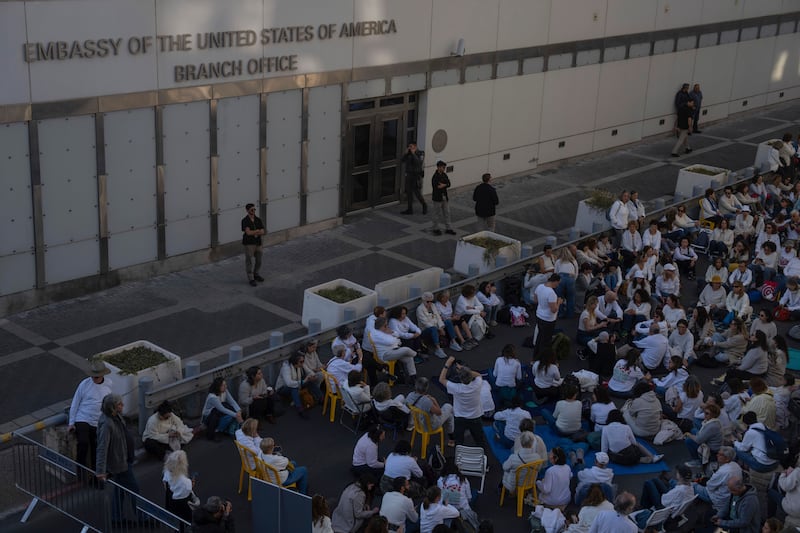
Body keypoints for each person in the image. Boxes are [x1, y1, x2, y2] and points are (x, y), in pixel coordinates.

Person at [95, 394, 142, 525]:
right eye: (119, 404)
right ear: (112, 408)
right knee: (134, 490)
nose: (122, 406)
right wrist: (100, 471)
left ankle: (117, 518)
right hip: (120, 464)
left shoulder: (116, 416)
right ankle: (143, 517)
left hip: (124, 459)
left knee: (119, 491)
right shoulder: (106, 423)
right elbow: (102, 448)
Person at [68, 358, 113, 476]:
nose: (94, 378)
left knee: (96, 448)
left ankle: (96, 474)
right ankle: (80, 471)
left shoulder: (109, 385)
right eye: (93, 376)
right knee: (83, 442)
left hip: (98, 421)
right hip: (83, 418)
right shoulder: (84, 384)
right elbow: (75, 402)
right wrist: (71, 422)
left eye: (97, 376)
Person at [439, 356, 486, 447]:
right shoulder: (477, 384)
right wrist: (464, 370)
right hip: (475, 417)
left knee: (459, 441)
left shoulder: (456, 388)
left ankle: (458, 457)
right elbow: (478, 375)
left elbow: (441, 379)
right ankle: (482, 456)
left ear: (460, 378)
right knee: (480, 440)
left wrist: (447, 364)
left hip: (460, 418)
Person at [405, 377, 455, 446]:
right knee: (448, 407)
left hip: (418, 423)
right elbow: (439, 412)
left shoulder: (410, 395)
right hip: (430, 425)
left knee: (449, 415)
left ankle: (451, 437)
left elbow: (407, 405)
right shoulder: (426, 401)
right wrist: (434, 401)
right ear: (426, 388)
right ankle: (451, 438)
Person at [693, 446, 742, 515]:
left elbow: (710, 487)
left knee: (693, 485)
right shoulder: (736, 465)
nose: (717, 455)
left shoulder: (723, 472)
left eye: (720, 454)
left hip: (719, 499)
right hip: (729, 496)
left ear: (727, 459)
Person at [371, 317, 418, 385]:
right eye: (385, 325)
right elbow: (391, 342)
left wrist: (392, 332)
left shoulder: (385, 331)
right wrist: (396, 340)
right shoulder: (377, 335)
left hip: (393, 350)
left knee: (409, 358)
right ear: (381, 326)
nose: (387, 327)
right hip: (386, 354)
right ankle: (416, 354)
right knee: (406, 349)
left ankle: (413, 378)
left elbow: (397, 335)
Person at [276, 352, 322, 419]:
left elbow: (309, 371)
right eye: (301, 361)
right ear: (295, 362)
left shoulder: (300, 364)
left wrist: (312, 376)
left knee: (309, 382)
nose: (303, 363)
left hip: (296, 383)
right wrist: (303, 381)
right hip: (282, 388)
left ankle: (321, 398)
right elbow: (289, 383)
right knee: (293, 388)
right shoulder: (286, 368)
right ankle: (300, 409)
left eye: (303, 361)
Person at [438, 459, 480, 530]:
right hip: (463, 510)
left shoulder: (440, 480)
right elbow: (469, 497)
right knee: (474, 492)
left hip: (448, 511)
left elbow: (440, 497)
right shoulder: (463, 479)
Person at [162, 450, 196, 524]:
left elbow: (165, 484)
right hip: (183, 503)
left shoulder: (167, 472)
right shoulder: (185, 481)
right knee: (185, 521)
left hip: (171, 502)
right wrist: (192, 483)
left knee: (175, 520)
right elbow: (189, 489)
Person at [533, 274, 562, 357]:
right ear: (555, 281)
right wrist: (558, 302)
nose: (558, 285)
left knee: (539, 338)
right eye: (558, 283)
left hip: (539, 316)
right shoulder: (551, 293)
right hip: (548, 319)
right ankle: (543, 360)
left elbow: (535, 300)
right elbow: (553, 310)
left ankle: (535, 358)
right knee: (546, 341)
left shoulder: (540, 287)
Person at [241, 203, 265, 286]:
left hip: (258, 243)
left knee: (259, 260)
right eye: (252, 209)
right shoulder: (245, 221)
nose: (253, 211)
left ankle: (256, 274)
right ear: (247, 210)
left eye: (254, 209)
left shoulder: (258, 220)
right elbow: (248, 233)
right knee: (249, 261)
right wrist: (257, 231)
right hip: (249, 244)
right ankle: (251, 278)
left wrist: (254, 232)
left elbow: (263, 231)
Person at [430, 160, 455, 236]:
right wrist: (445, 184)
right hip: (437, 198)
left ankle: (448, 228)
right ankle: (435, 228)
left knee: (447, 213)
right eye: (443, 167)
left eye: (444, 167)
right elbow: (437, 186)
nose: (444, 169)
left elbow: (448, 184)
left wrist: (444, 185)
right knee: (437, 214)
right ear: (438, 167)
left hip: (444, 197)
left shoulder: (444, 174)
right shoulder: (435, 177)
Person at [401, 141, 427, 215]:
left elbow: (418, 162)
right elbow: (402, 160)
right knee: (409, 193)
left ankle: (424, 205)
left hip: (416, 176)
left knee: (417, 193)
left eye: (411, 147)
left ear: (415, 147)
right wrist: (405, 153)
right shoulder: (408, 154)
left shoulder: (420, 153)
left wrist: (413, 153)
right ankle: (410, 209)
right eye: (409, 146)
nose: (410, 148)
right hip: (409, 175)